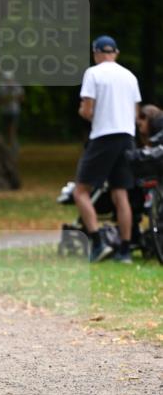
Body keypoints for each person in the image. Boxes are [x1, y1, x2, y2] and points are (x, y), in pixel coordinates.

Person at [72, 35, 141, 264]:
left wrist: (85, 112)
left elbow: (88, 110)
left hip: (103, 137)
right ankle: (125, 250)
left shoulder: (93, 73)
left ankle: (97, 240)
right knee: (120, 194)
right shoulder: (130, 76)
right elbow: (135, 112)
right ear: (116, 53)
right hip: (127, 137)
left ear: (96, 53)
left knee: (80, 191)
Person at [0, 70, 25, 150]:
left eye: (9, 79)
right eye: (6, 79)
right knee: (6, 129)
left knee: (12, 129)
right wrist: (6, 99)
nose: (8, 81)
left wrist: (15, 97)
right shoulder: (1, 87)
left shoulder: (17, 86)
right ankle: (10, 145)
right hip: (4, 111)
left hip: (15, 111)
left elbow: (22, 99)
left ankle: (13, 145)